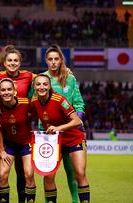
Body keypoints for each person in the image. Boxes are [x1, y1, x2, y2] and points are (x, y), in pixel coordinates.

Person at [31, 74, 90, 203]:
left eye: (45, 84)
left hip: (73, 139)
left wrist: (59, 128)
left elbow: (77, 121)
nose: (42, 87)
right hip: (53, 142)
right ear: (34, 87)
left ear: (50, 86)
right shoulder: (34, 102)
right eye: (38, 84)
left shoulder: (59, 100)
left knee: (79, 173)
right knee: (48, 176)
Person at [0, 45, 35, 202]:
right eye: (10, 60)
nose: (13, 63)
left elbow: (46, 79)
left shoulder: (28, 76)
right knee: (2, 171)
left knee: (23, 172)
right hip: (4, 132)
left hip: (23, 131)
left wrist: (63, 71)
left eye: (16, 60)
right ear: (4, 62)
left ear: (20, 62)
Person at [41, 44, 85, 203]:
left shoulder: (70, 78)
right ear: (46, 61)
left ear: (61, 61)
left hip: (70, 131)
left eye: (56, 59)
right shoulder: (41, 79)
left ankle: (75, 201)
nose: (53, 62)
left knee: (73, 172)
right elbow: (32, 102)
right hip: (49, 135)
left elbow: (79, 103)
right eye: (50, 59)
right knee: (48, 173)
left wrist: (77, 119)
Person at [0, 78, 36, 202]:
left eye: (9, 89)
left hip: (26, 144)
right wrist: (1, 150)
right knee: (2, 175)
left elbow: (41, 111)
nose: (6, 92)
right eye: (3, 90)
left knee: (29, 175)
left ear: (15, 91)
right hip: (8, 145)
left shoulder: (26, 103)